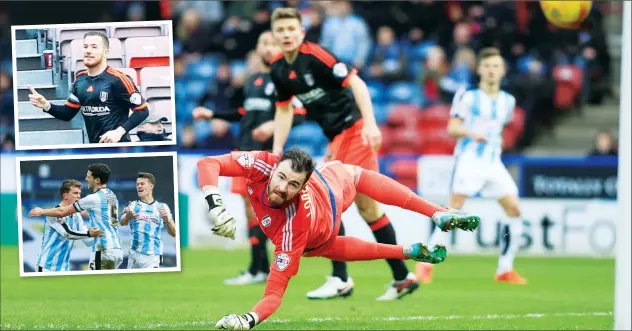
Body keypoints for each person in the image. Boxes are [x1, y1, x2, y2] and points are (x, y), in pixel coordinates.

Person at [197, 148, 480, 330]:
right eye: (281, 177)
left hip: (321, 223)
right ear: (275, 166)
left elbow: (273, 294)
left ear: (302, 186)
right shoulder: (262, 163)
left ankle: (413, 240)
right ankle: (433, 218)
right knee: (355, 176)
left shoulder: (292, 229)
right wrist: (216, 203)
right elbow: (209, 162)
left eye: (293, 184)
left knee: (327, 246)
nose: (283, 187)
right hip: (331, 181)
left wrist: (248, 320)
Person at [267, 7, 416, 301]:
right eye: (280, 30)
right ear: (275, 34)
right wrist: (276, 149)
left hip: (353, 131)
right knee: (369, 210)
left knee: (326, 199)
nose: (286, 34)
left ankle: (340, 278)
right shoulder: (279, 69)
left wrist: (371, 124)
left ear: (302, 32)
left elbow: (357, 83)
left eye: (291, 29)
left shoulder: (317, 57)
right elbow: (283, 109)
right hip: (339, 137)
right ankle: (402, 277)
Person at [193, 31, 305, 285]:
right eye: (263, 43)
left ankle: (265, 266)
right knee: (249, 211)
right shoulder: (253, 80)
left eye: (272, 43)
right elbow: (244, 112)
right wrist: (213, 115)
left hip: (264, 156)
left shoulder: (284, 79)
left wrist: (272, 127)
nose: (267, 48)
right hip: (243, 152)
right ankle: (258, 267)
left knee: (262, 212)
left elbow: (299, 113)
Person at [418, 47, 528, 285]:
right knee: (454, 211)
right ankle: (425, 262)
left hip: (493, 163)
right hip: (469, 159)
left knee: (514, 209)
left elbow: (501, 129)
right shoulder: (468, 97)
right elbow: (452, 128)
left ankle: (504, 269)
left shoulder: (508, 102)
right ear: (479, 69)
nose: (491, 70)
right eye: (487, 66)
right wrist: (471, 133)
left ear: (502, 71)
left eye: (496, 66)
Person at [27, 31, 149, 144]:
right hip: (93, 147)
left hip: (118, 148)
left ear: (106, 52)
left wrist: (119, 132)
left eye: (94, 47)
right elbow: (68, 113)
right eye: (85, 47)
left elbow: (142, 111)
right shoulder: (80, 79)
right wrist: (47, 106)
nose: (88, 51)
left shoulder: (118, 79)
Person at [29, 163, 124, 270]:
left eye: (89, 177)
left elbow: (62, 212)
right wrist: (92, 234)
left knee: (97, 284)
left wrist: (42, 211)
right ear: (65, 195)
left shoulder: (92, 199)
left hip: (103, 250)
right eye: (75, 193)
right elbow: (76, 236)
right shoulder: (112, 196)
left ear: (97, 180)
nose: (86, 179)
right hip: (116, 249)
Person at [34, 179, 103, 272]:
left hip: (64, 268)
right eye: (75, 193)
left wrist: (100, 234)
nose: (79, 196)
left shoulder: (77, 215)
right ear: (65, 195)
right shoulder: (53, 213)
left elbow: (87, 241)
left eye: (79, 193)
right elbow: (68, 234)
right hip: (46, 266)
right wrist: (90, 233)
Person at [120, 172, 176, 269]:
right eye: (137, 184)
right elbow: (122, 222)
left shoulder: (162, 207)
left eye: (142, 184)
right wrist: (127, 217)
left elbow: (174, 233)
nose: (139, 186)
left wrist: (167, 220)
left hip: (153, 256)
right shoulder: (132, 205)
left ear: (151, 186)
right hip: (134, 254)